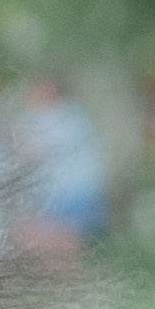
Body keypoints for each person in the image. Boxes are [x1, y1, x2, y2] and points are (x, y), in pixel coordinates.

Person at [11, 75, 108, 265]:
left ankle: (62, 280)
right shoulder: (75, 114)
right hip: (74, 190)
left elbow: (28, 151)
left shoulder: (53, 118)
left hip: (65, 191)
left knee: (57, 239)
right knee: (60, 241)